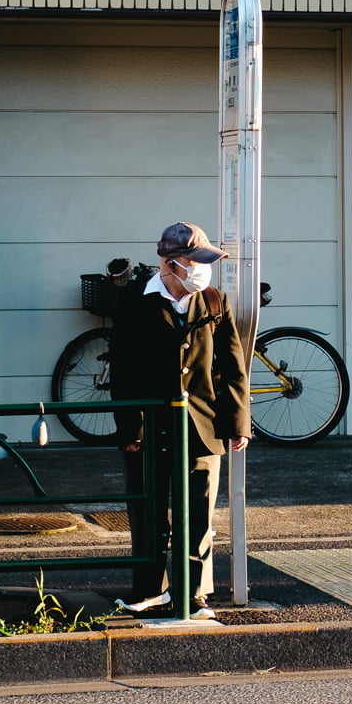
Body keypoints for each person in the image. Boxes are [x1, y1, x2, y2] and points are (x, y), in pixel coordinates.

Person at [107, 221, 251, 618]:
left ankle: (194, 593)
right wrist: (130, 427)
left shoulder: (215, 301)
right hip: (150, 424)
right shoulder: (136, 302)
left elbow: (233, 367)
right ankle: (151, 589)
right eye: (195, 261)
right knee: (148, 509)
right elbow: (123, 369)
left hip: (203, 424)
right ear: (170, 264)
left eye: (206, 262)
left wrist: (238, 421)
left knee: (200, 512)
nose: (202, 270)